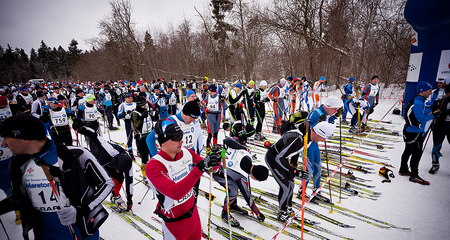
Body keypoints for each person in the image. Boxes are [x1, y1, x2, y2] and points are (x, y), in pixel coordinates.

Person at [0, 114, 114, 240]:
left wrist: (81, 209)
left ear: (25, 138)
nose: (3, 144)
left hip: (82, 232)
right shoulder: (17, 164)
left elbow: (107, 183)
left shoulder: (76, 155)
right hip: (44, 234)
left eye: (6, 138)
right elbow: (18, 197)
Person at [146, 120, 221, 240]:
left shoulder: (186, 152)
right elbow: (174, 193)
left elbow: (211, 169)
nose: (181, 140)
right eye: (176, 137)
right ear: (163, 142)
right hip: (175, 225)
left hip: (193, 216)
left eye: (181, 135)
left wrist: (215, 158)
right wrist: (200, 167)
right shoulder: (154, 165)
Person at [265, 123, 334, 222]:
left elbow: (294, 151)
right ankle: (281, 212)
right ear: (318, 134)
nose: (323, 140)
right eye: (323, 138)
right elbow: (279, 157)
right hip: (273, 159)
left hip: (284, 159)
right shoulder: (298, 139)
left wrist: (294, 166)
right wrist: (295, 171)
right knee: (285, 186)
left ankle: (287, 206)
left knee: (291, 184)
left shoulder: (308, 137)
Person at [76, 126, 134, 211]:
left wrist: (130, 198)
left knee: (120, 178)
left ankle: (115, 196)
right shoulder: (108, 150)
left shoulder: (128, 163)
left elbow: (130, 181)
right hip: (98, 156)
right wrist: (83, 128)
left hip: (108, 162)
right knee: (105, 180)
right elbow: (95, 136)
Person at [214, 137, 268, 226]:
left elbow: (227, 140)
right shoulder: (241, 176)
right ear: (255, 178)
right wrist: (258, 213)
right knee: (233, 190)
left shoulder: (247, 152)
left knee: (233, 182)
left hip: (217, 155)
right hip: (214, 168)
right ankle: (225, 213)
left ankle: (232, 205)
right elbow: (248, 198)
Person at [400, 81, 438, 185]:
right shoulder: (417, 103)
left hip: (410, 130)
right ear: (422, 91)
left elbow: (422, 112)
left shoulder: (418, 101)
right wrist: (434, 115)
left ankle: (403, 169)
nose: (430, 93)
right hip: (413, 132)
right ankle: (414, 175)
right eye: (429, 91)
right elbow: (421, 119)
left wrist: (432, 109)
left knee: (408, 150)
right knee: (416, 154)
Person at [131, 96, 154, 185]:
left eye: (145, 104)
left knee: (152, 157)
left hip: (150, 137)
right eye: (143, 104)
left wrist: (153, 115)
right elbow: (136, 126)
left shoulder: (147, 110)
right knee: (144, 159)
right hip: (141, 138)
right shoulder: (135, 113)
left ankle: (153, 174)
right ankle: (145, 177)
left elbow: (152, 122)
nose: (145, 105)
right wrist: (142, 118)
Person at [429, 83, 450, 174]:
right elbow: (434, 111)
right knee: (436, 147)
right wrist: (437, 112)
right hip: (440, 127)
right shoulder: (440, 101)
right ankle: (435, 165)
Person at [203, 84, 228, 151]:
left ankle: (215, 147)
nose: (207, 90)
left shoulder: (219, 97)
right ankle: (208, 148)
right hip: (210, 116)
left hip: (217, 116)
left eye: (208, 89)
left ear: (211, 90)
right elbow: (203, 105)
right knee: (210, 133)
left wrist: (222, 100)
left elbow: (225, 107)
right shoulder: (207, 97)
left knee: (216, 133)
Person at [117, 92, 136, 160]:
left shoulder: (135, 104)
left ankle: (139, 149)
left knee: (137, 136)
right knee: (129, 136)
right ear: (125, 99)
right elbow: (118, 116)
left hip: (136, 122)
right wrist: (124, 114)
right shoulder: (122, 105)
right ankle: (130, 150)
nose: (130, 99)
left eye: (131, 98)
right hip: (128, 122)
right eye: (128, 98)